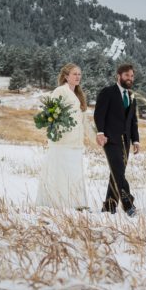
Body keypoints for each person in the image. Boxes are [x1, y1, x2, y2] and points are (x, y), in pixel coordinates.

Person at [36, 63, 90, 210]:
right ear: (66, 76)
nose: (78, 77)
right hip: (62, 142)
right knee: (60, 173)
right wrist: (60, 131)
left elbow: (84, 120)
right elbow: (50, 114)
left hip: (76, 142)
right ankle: (58, 204)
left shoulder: (78, 94)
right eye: (74, 74)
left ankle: (75, 203)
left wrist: (97, 137)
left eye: (79, 74)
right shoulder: (60, 91)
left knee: (74, 174)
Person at [94, 63, 140, 216]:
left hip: (125, 141)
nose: (130, 78)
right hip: (110, 139)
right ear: (119, 76)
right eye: (127, 75)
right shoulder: (107, 92)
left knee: (116, 173)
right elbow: (99, 114)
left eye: (132, 76)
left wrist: (136, 140)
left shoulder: (132, 96)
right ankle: (129, 205)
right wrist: (100, 132)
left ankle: (109, 206)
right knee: (119, 173)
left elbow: (133, 121)